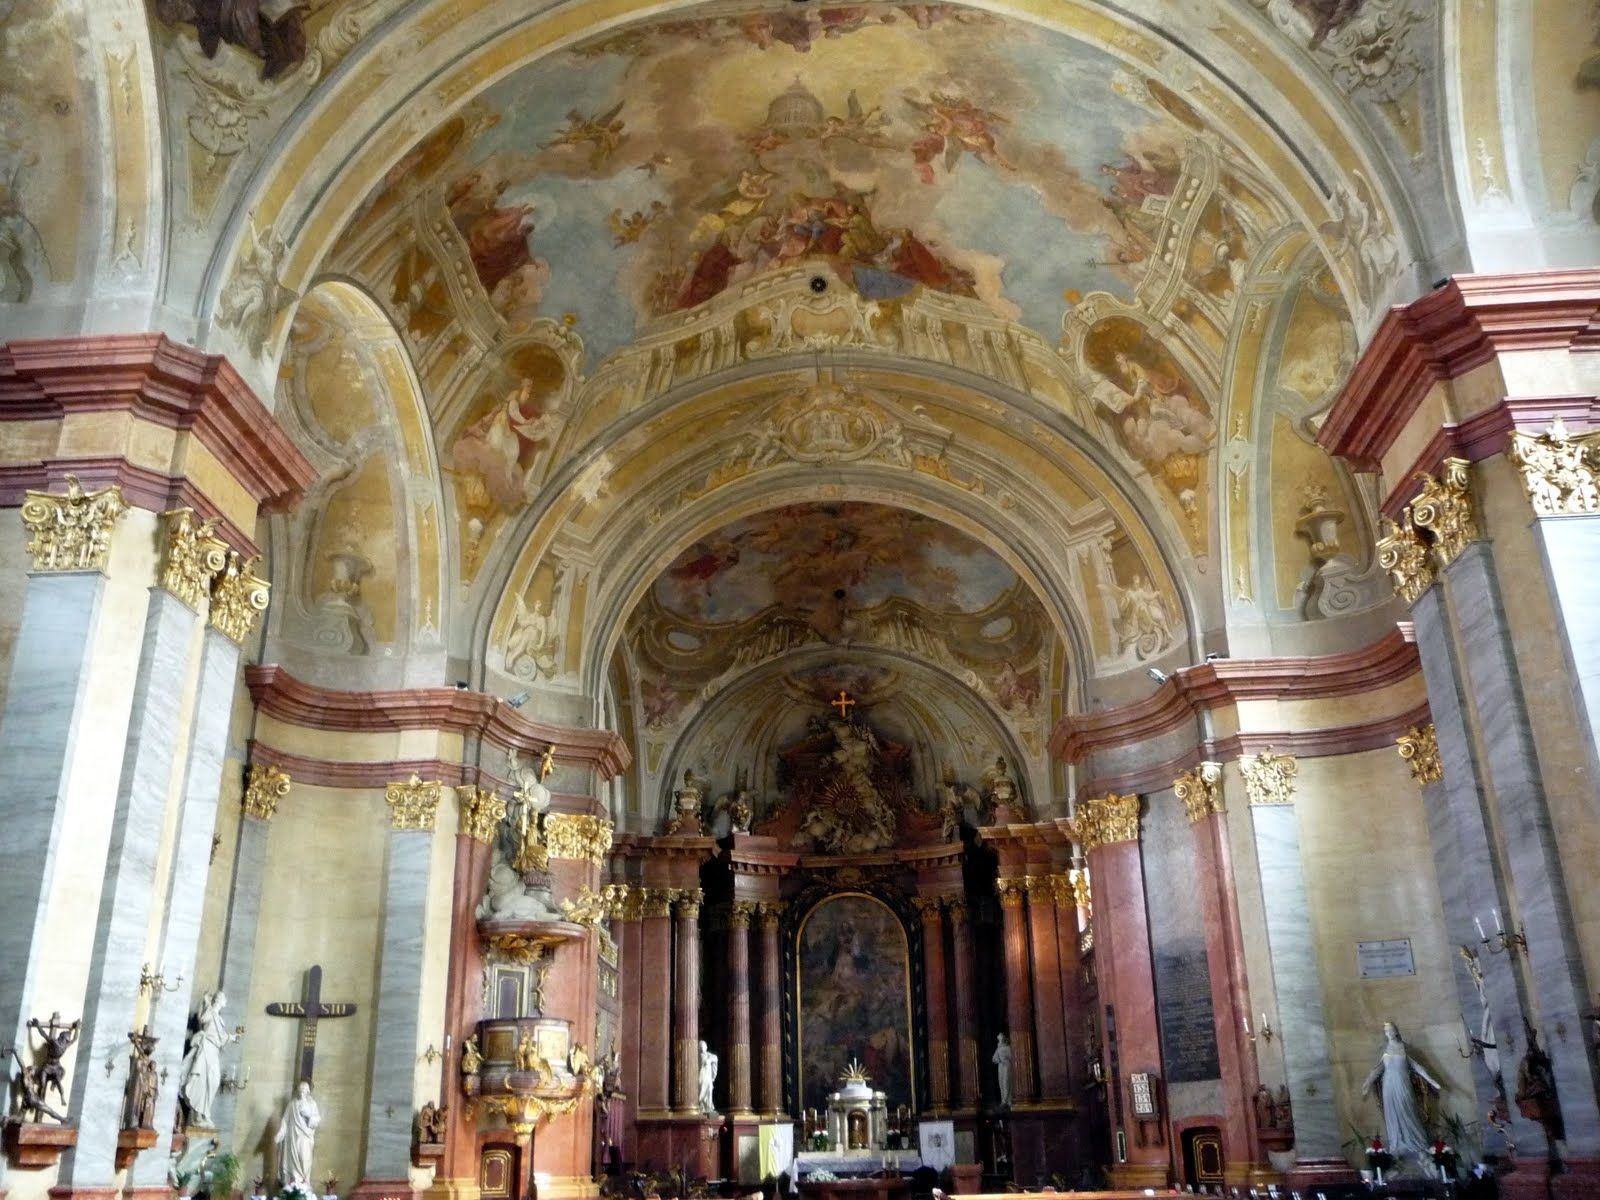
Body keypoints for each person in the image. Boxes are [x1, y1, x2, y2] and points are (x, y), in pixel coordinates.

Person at [1361, 1021, 1440, 1161]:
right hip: (1389, 1086)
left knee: (1409, 1111)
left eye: (1391, 1030)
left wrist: (1431, 1080)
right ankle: (1397, 1146)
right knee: (1393, 1115)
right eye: (1386, 1031)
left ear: (1396, 1031)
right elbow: (1377, 1069)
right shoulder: (1384, 1049)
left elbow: (1416, 1066)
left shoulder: (1404, 1048)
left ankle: (1419, 1145)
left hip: (1403, 1083)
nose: (1389, 1033)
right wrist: (1367, 1083)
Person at [181, 990, 234, 1127]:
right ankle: (198, 1114)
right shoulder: (211, 1012)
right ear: (219, 1000)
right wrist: (205, 1003)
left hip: (214, 1050)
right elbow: (202, 1019)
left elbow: (221, 1039)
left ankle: (205, 1112)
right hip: (206, 1049)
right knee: (202, 1080)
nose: (226, 1002)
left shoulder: (220, 1019)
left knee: (214, 1081)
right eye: (224, 999)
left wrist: (232, 1037)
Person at [274, 1080, 321, 1193]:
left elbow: (317, 1120)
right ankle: (292, 1185)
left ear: (308, 1091)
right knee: (291, 1163)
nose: (301, 1092)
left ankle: (304, 1185)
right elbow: (285, 1121)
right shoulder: (292, 1104)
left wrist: (308, 1115)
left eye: (304, 1090)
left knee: (304, 1159)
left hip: (305, 1138)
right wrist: (279, 1135)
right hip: (292, 1138)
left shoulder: (312, 1104)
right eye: (300, 1089)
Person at [992, 1033, 1013, 1108]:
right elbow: (994, 1059)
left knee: (1006, 1082)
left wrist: (1005, 1059)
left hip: (1007, 1066)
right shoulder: (998, 1049)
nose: (1000, 1041)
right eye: (999, 1040)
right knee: (1001, 1083)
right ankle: (1003, 1100)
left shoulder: (1008, 1048)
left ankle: (1008, 1100)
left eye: (1001, 1039)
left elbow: (1012, 1057)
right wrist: (999, 1060)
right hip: (1001, 1066)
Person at [698, 1040, 718, 1114]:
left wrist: (709, 1060)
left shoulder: (709, 1055)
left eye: (703, 1045)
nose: (702, 1047)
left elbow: (715, 1058)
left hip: (708, 1077)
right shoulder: (697, 1056)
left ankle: (708, 1107)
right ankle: (701, 1105)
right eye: (701, 1046)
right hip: (701, 1075)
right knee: (701, 1090)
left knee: (709, 1090)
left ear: (706, 1047)